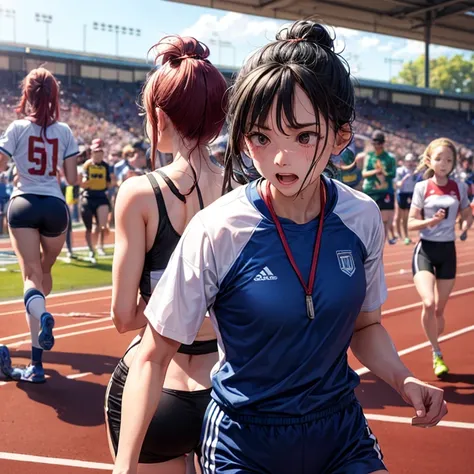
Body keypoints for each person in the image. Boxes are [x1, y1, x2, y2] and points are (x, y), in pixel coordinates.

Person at [113, 21, 447, 474]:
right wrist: (124, 467)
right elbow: (151, 357)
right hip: (244, 445)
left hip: (341, 436)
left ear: (341, 137)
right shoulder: (219, 228)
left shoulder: (361, 217)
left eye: (304, 136)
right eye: (260, 138)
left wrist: (402, 378)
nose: (278, 159)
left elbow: (366, 328)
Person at [107, 35, 228, 474]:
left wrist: (176, 307)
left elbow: (123, 316)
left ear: (160, 116)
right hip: (232, 389)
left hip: (156, 389)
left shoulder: (139, 195)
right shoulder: (249, 194)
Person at [0, 67, 78, 383]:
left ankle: (41, 317)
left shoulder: (17, 127)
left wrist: (16, 173)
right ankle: (37, 364)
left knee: (30, 278)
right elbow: (72, 179)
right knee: (43, 274)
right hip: (55, 207)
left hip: (23, 204)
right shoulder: (65, 131)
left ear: (27, 95)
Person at [408, 138, 473, 377]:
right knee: (428, 302)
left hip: (448, 252)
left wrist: (465, 225)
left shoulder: (459, 187)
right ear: (429, 160)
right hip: (425, 249)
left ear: (454, 162)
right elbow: (410, 224)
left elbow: (467, 212)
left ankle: (435, 337)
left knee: (438, 311)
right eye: (438, 159)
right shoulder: (422, 188)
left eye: (448, 160)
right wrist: (431, 221)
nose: (443, 164)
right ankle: (436, 352)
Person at [362, 130, 397, 244]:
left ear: (382, 143)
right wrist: (376, 171)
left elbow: (393, 174)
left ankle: (381, 243)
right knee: (370, 220)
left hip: (385, 191)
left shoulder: (389, 158)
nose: (376, 145)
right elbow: (364, 173)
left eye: (378, 143)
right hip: (370, 191)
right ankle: (370, 243)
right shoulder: (369, 156)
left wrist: (384, 173)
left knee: (385, 220)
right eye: (374, 143)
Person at [80, 138, 111, 262]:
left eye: (100, 152)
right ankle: (91, 249)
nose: (98, 154)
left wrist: (108, 183)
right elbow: (83, 181)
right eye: (95, 152)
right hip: (88, 196)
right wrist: (85, 182)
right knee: (89, 227)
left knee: (102, 225)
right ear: (91, 153)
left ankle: (100, 246)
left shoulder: (106, 166)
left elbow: (109, 182)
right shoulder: (87, 165)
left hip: (101, 196)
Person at [395, 153, 420, 245]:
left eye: (412, 161)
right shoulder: (400, 171)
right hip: (402, 193)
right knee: (399, 216)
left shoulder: (416, 172)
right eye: (408, 161)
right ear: (405, 162)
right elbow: (398, 184)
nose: (410, 163)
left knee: (406, 216)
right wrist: (404, 178)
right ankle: (399, 234)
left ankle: (405, 235)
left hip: (410, 193)